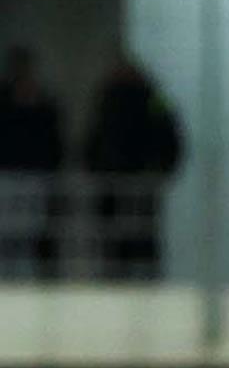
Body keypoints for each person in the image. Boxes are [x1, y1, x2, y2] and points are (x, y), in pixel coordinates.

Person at [84, 58, 182, 280]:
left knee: (135, 236)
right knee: (124, 237)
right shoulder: (116, 99)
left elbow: (170, 139)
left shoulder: (112, 99)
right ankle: (132, 277)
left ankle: (135, 278)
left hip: (132, 181)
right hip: (121, 180)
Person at [0, 46, 64, 280]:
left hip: (36, 175)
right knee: (6, 230)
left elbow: (53, 141)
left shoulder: (45, 103)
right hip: (6, 174)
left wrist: (49, 167)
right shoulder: (4, 102)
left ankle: (26, 278)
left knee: (30, 231)